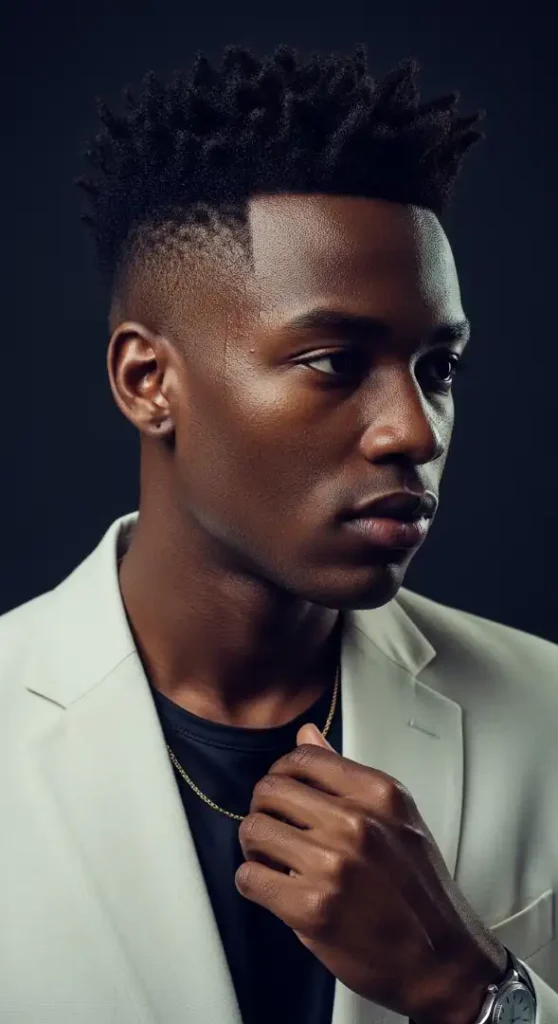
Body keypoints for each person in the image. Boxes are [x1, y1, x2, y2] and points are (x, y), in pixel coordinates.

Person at [0, 42, 556, 1024]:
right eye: (336, 361)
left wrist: (475, 994)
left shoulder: (547, 712)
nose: (415, 431)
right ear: (147, 381)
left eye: (437, 368)